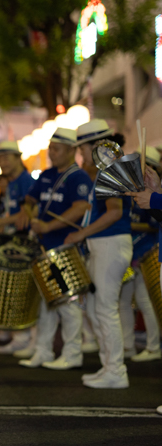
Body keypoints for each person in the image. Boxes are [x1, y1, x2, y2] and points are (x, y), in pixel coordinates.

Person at [15, 128, 92, 369]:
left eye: (56, 149)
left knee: (68, 304)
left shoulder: (78, 177)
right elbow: (29, 200)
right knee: (46, 304)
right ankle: (43, 350)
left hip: (65, 248)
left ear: (71, 150)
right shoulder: (46, 175)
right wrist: (29, 216)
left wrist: (47, 226)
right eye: (50, 148)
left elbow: (81, 208)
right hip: (45, 249)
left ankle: (72, 353)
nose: (51, 153)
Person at [65, 119, 132, 389]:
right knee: (97, 308)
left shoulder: (109, 169)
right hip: (105, 244)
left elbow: (115, 212)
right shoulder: (107, 169)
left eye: (81, 149)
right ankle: (110, 367)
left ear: (95, 146)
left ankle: (116, 370)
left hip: (110, 243)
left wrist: (81, 233)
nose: (80, 155)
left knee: (105, 309)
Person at [0, 141, 36, 354]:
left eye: (7, 158)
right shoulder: (14, 183)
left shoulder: (25, 181)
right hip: (15, 240)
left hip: (24, 242)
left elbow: (26, 215)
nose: (2, 162)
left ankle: (24, 337)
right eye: (0, 158)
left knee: (20, 289)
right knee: (13, 289)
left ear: (18, 158)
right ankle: (20, 336)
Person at [118, 147, 161, 362]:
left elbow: (154, 224)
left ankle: (154, 346)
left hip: (146, 254)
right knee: (124, 300)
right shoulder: (130, 191)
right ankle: (127, 346)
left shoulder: (150, 192)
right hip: (129, 255)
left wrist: (133, 226)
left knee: (146, 301)